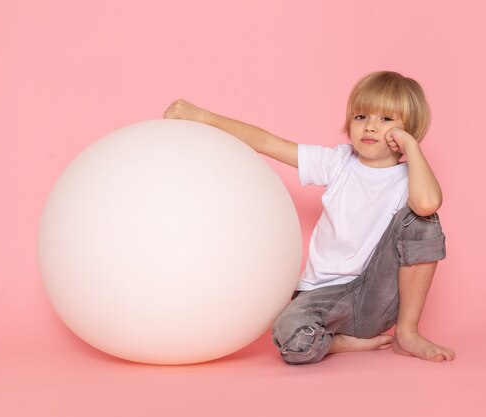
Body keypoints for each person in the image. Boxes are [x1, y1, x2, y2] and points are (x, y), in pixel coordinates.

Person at [163, 71, 456, 364]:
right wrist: (203, 117)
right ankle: (339, 343)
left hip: (377, 297)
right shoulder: (337, 163)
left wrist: (412, 147)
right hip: (323, 295)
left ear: (408, 130)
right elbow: (268, 142)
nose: (370, 128)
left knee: (422, 219)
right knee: (290, 337)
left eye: (386, 120)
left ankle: (407, 333)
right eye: (361, 117)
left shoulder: (410, 179)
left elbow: (428, 203)